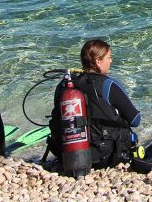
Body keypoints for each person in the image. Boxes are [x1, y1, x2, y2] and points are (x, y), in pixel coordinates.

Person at [48, 39, 142, 170]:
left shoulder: (64, 86)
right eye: (109, 57)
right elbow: (135, 120)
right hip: (105, 156)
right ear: (98, 61)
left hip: (66, 155)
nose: (111, 61)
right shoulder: (108, 84)